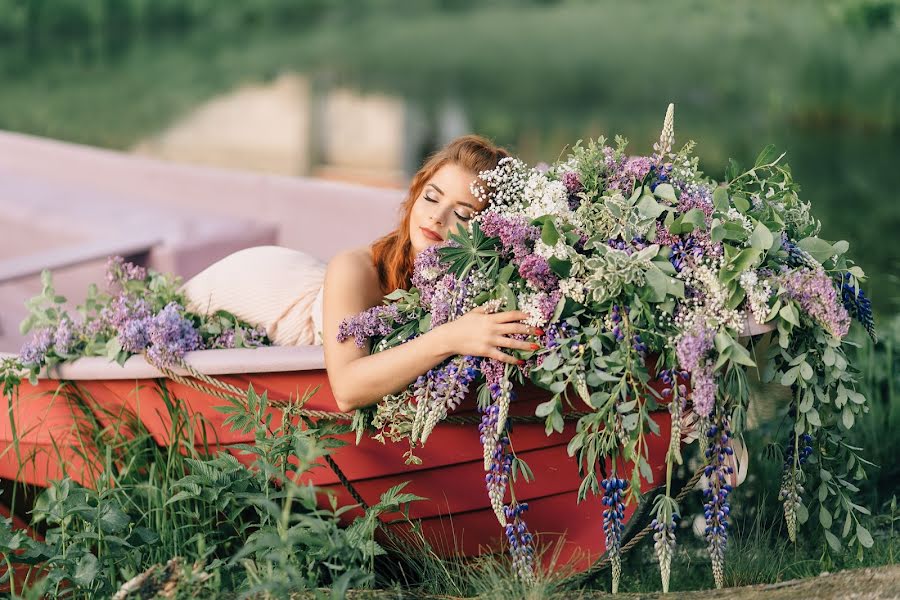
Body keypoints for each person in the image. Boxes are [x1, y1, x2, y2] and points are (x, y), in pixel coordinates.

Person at [182, 135, 539, 413]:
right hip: (249, 288)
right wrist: (451, 338)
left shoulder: (470, 284)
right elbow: (347, 391)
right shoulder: (356, 268)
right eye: (431, 198)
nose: (437, 217)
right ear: (416, 193)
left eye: (461, 215)